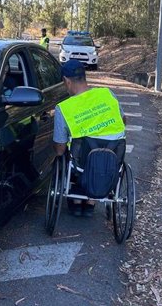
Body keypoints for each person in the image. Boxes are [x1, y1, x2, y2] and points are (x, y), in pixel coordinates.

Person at [53, 60, 127, 217]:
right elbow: (123, 120)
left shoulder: (64, 108)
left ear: (66, 81)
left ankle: (77, 201)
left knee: (69, 155)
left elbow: (59, 148)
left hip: (81, 164)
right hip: (112, 158)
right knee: (97, 152)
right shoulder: (107, 94)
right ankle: (91, 203)